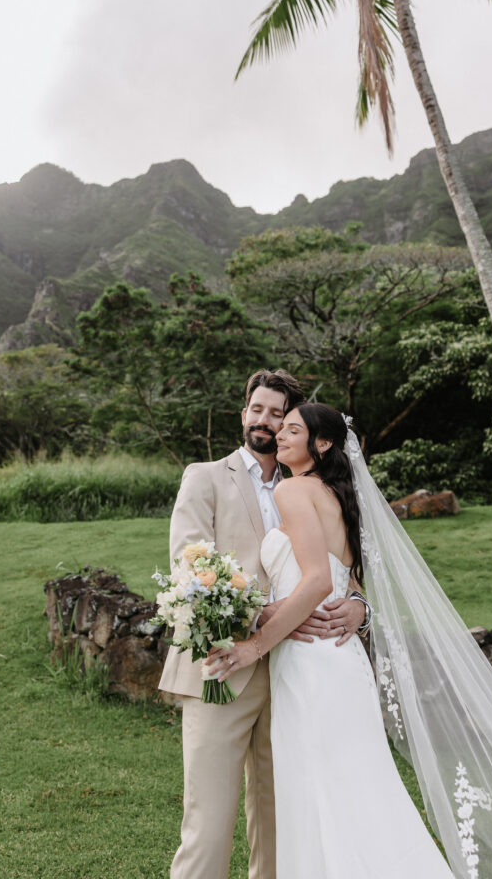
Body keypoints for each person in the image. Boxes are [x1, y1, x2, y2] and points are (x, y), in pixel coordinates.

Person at [209, 403, 492, 879]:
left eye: (293, 429)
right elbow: (346, 581)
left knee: (319, 791)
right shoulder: (338, 495)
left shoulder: (294, 490)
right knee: (360, 791)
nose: (279, 433)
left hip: (310, 665)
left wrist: (252, 646)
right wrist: (356, 608)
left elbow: (319, 582)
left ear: (321, 445)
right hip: (342, 661)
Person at [158, 372, 370, 879]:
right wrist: (260, 617)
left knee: (281, 820)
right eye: (257, 408)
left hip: (295, 675)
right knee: (208, 822)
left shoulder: (312, 485)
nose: (264, 420)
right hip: (223, 664)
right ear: (243, 413)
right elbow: (188, 565)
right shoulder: (205, 476)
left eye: (278, 414)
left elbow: (344, 565)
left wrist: (360, 604)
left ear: (289, 425)